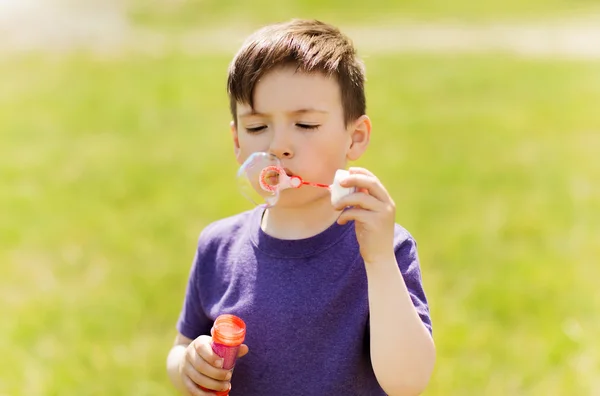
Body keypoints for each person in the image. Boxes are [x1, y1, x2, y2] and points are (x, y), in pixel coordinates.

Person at [166, 18, 435, 396]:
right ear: (237, 142)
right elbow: (181, 346)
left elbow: (407, 383)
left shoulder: (383, 248)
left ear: (354, 138)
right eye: (258, 128)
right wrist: (189, 365)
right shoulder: (218, 246)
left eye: (305, 124)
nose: (278, 146)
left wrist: (378, 261)